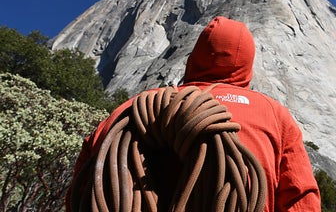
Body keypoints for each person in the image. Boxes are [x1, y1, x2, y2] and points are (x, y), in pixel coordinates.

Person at [66, 16, 321, 211]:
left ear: (194, 58)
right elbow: (301, 198)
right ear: (248, 68)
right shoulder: (274, 114)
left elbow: (80, 189)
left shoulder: (129, 108)